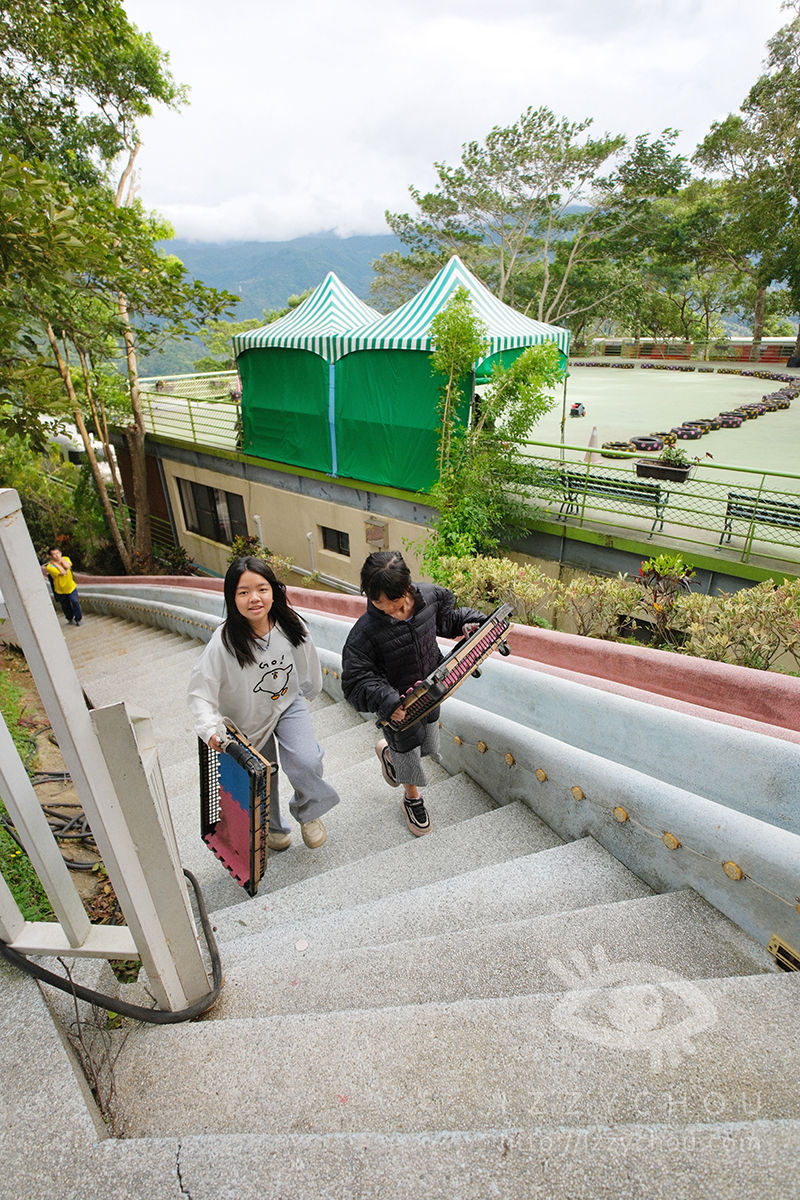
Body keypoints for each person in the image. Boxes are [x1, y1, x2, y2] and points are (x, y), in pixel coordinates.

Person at [187, 557, 340, 852]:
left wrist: (308, 691)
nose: (254, 598)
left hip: (286, 704)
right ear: (232, 598)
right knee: (262, 774)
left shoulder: (291, 626)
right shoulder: (224, 642)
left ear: (274, 591)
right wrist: (209, 729)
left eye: (261, 589)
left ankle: (309, 812)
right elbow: (199, 692)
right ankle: (272, 827)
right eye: (243, 592)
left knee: (306, 760)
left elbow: (307, 663)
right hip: (246, 719)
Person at [341, 551, 485, 838]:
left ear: (406, 587)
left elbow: (447, 622)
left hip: (432, 689)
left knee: (427, 744)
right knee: (407, 748)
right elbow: (355, 680)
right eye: (376, 601)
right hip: (397, 706)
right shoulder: (365, 633)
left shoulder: (429, 597)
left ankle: (388, 755)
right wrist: (386, 701)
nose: (386, 608)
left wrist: (469, 623)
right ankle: (412, 798)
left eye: (392, 601)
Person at [46, 548, 82, 626]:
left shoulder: (65, 559)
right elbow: (62, 572)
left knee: (75, 601)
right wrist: (55, 563)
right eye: (54, 554)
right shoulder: (50, 566)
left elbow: (67, 566)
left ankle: (78, 619)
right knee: (65, 605)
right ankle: (70, 618)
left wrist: (61, 560)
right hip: (60, 590)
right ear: (51, 556)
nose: (57, 555)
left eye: (58, 553)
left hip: (71, 586)